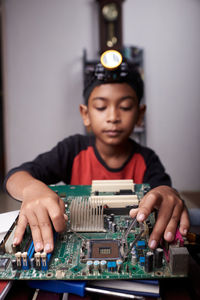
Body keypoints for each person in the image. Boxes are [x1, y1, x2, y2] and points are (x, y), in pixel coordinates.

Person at [4, 50, 189, 254]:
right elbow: (14, 177)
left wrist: (168, 194)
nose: (113, 117)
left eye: (125, 107)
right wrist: (32, 189)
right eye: (101, 107)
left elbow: (164, 197)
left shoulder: (147, 160)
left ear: (140, 114)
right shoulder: (72, 149)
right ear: (85, 114)